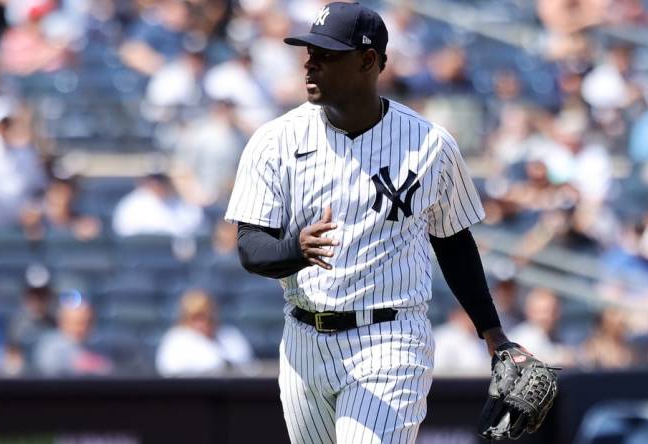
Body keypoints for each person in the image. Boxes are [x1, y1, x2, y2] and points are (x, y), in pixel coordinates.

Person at [225, 3, 530, 442]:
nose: (310, 64)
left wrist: (494, 334)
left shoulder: (430, 145)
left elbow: (454, 242)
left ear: (369, 61)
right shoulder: (274, 141)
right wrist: (294, 250)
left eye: (327, 55)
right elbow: (249, 246)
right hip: (302, 339)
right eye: (308, 52)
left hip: (390, 338)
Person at [155, 289, 255, 377]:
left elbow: (247, 368)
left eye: (208, 316)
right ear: (185, 318)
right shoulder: (175, 339)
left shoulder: (230, 336)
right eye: (196, 317)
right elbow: (169, 371)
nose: (203, 322)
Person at [33, 291, 113, 377]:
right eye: (78, 322)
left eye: (89, 322)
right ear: (63, 322)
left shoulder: (99, 344)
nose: (84, 327)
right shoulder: (49, 346)